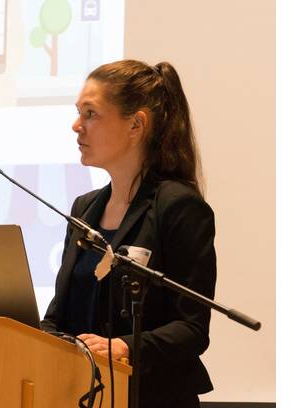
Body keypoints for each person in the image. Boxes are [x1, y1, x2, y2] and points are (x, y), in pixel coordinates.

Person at [40, 60, 217, 408]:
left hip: (153, 397)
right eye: (78, 113)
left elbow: (192, 328)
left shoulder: (178, 206)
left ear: (136, 125)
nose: (77, 126)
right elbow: (58, 316)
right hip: (82, 395)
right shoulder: (83, 209)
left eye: (90, 114)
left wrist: (124, 347)